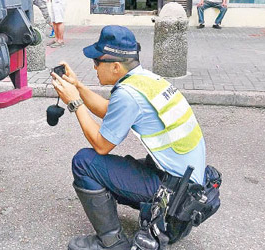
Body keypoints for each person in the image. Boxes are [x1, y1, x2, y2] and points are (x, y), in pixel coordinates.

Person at [50, 25, 207, 249]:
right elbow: (108, 110)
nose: (93, 67)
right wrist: (78, 86)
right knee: (119, 166)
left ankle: (111, 242)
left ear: (115, 66)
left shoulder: (128, 94)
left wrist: (75, 102)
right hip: (187, 187)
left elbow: (101, 146)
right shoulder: (146, 80)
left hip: (174, 197)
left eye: (96, 62)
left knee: (84, 162)